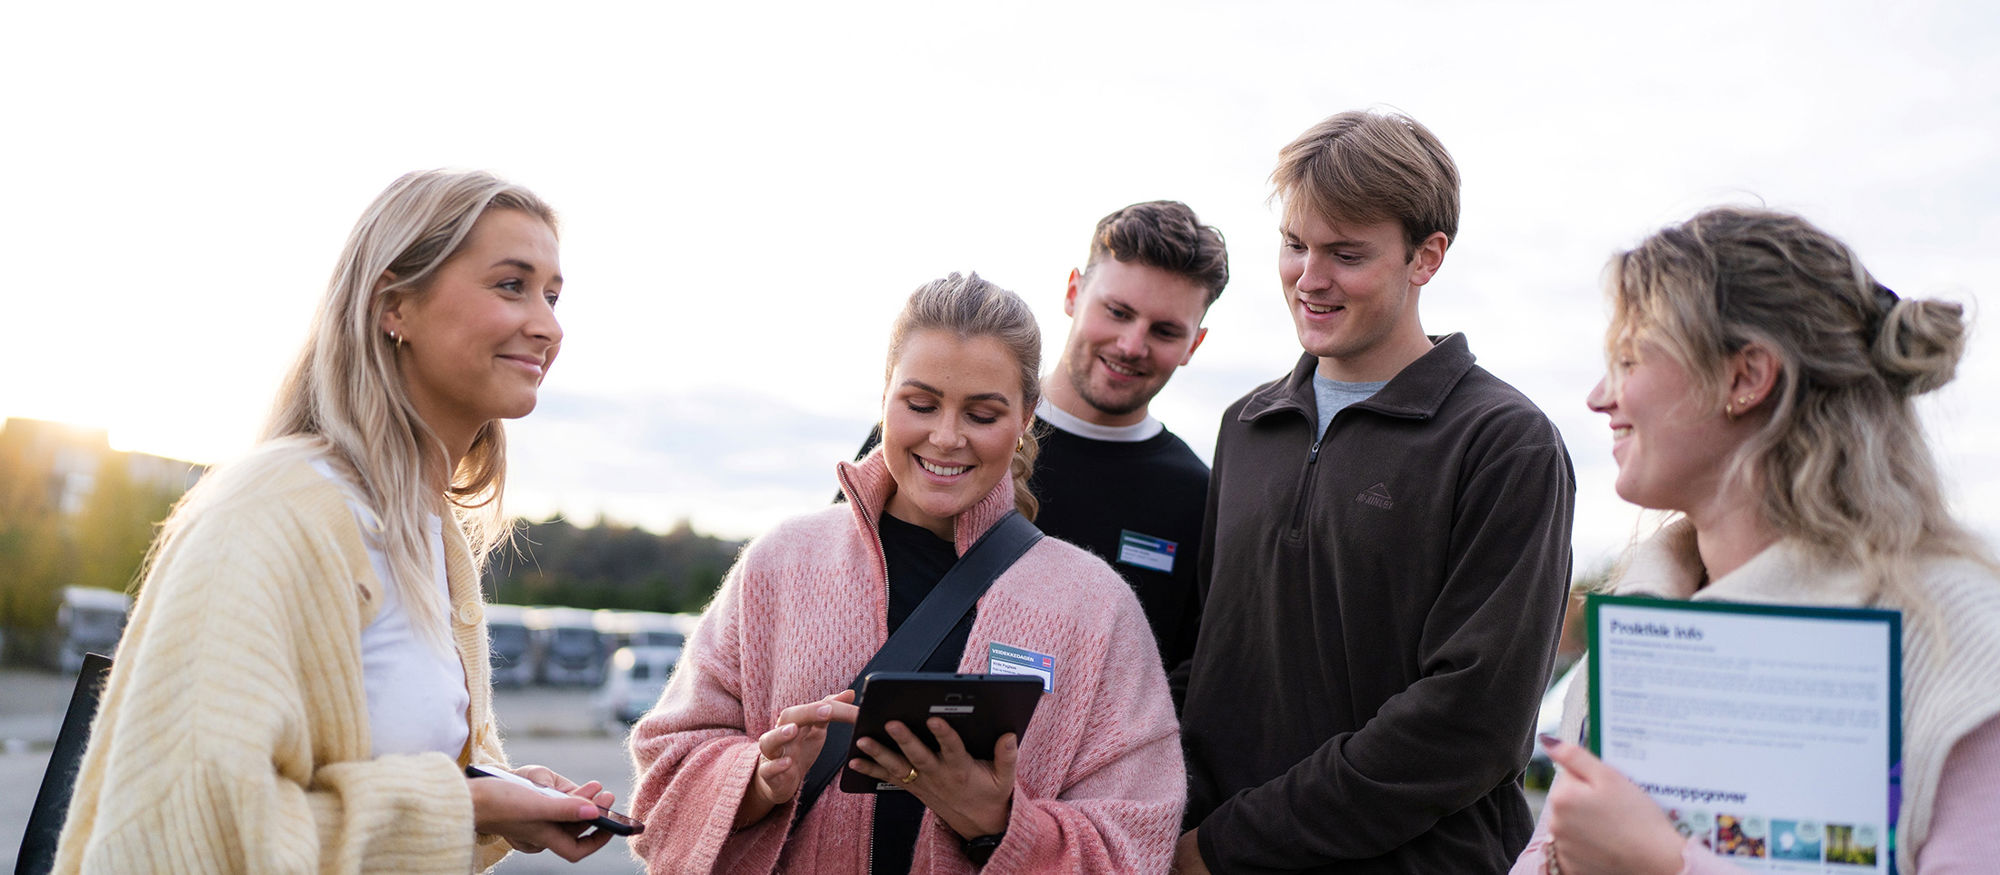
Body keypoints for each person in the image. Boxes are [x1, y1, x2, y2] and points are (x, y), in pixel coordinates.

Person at [54, 170, 619, 873]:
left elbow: (379, 797)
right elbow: (197, 829)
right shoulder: (279, 508)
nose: (548, 324)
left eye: (554, 295)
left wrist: (498, 791)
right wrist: (463, 804)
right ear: (394, 305)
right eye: (512, 284)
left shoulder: (431, 537)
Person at [630, 272, 1183, 873]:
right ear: (885, 396)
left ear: (1027, 418)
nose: (946, 438)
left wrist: (996, 823)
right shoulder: (781, 562)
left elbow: (1138, 837)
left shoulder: (1095, 606)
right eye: (920, 405)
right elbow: (665, 771)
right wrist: (760, 781)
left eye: (983, 414)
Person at [1514, 207, 2000, 874]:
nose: (1601, 397)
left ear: (1745, 378)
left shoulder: (1955, 633)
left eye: (1629, 359)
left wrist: (1668, 864)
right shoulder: (1636, 625)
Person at [1176, 110, 1576, 873]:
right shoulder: (1248, 425)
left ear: (1427, 257)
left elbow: (1469, 723)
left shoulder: (1505, 442)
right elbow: (1210, 662)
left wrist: (1228, 846)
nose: (1309, 278)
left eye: (1346, 254)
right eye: (1294, 245)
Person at [848, 201, 1228, 676]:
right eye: (1117, 312)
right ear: (1073, 293)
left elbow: (1181, 682)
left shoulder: (1198, 498)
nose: (1132, 344)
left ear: (1195, 343)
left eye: (1166, 330)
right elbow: (837, 585)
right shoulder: (928, 439)